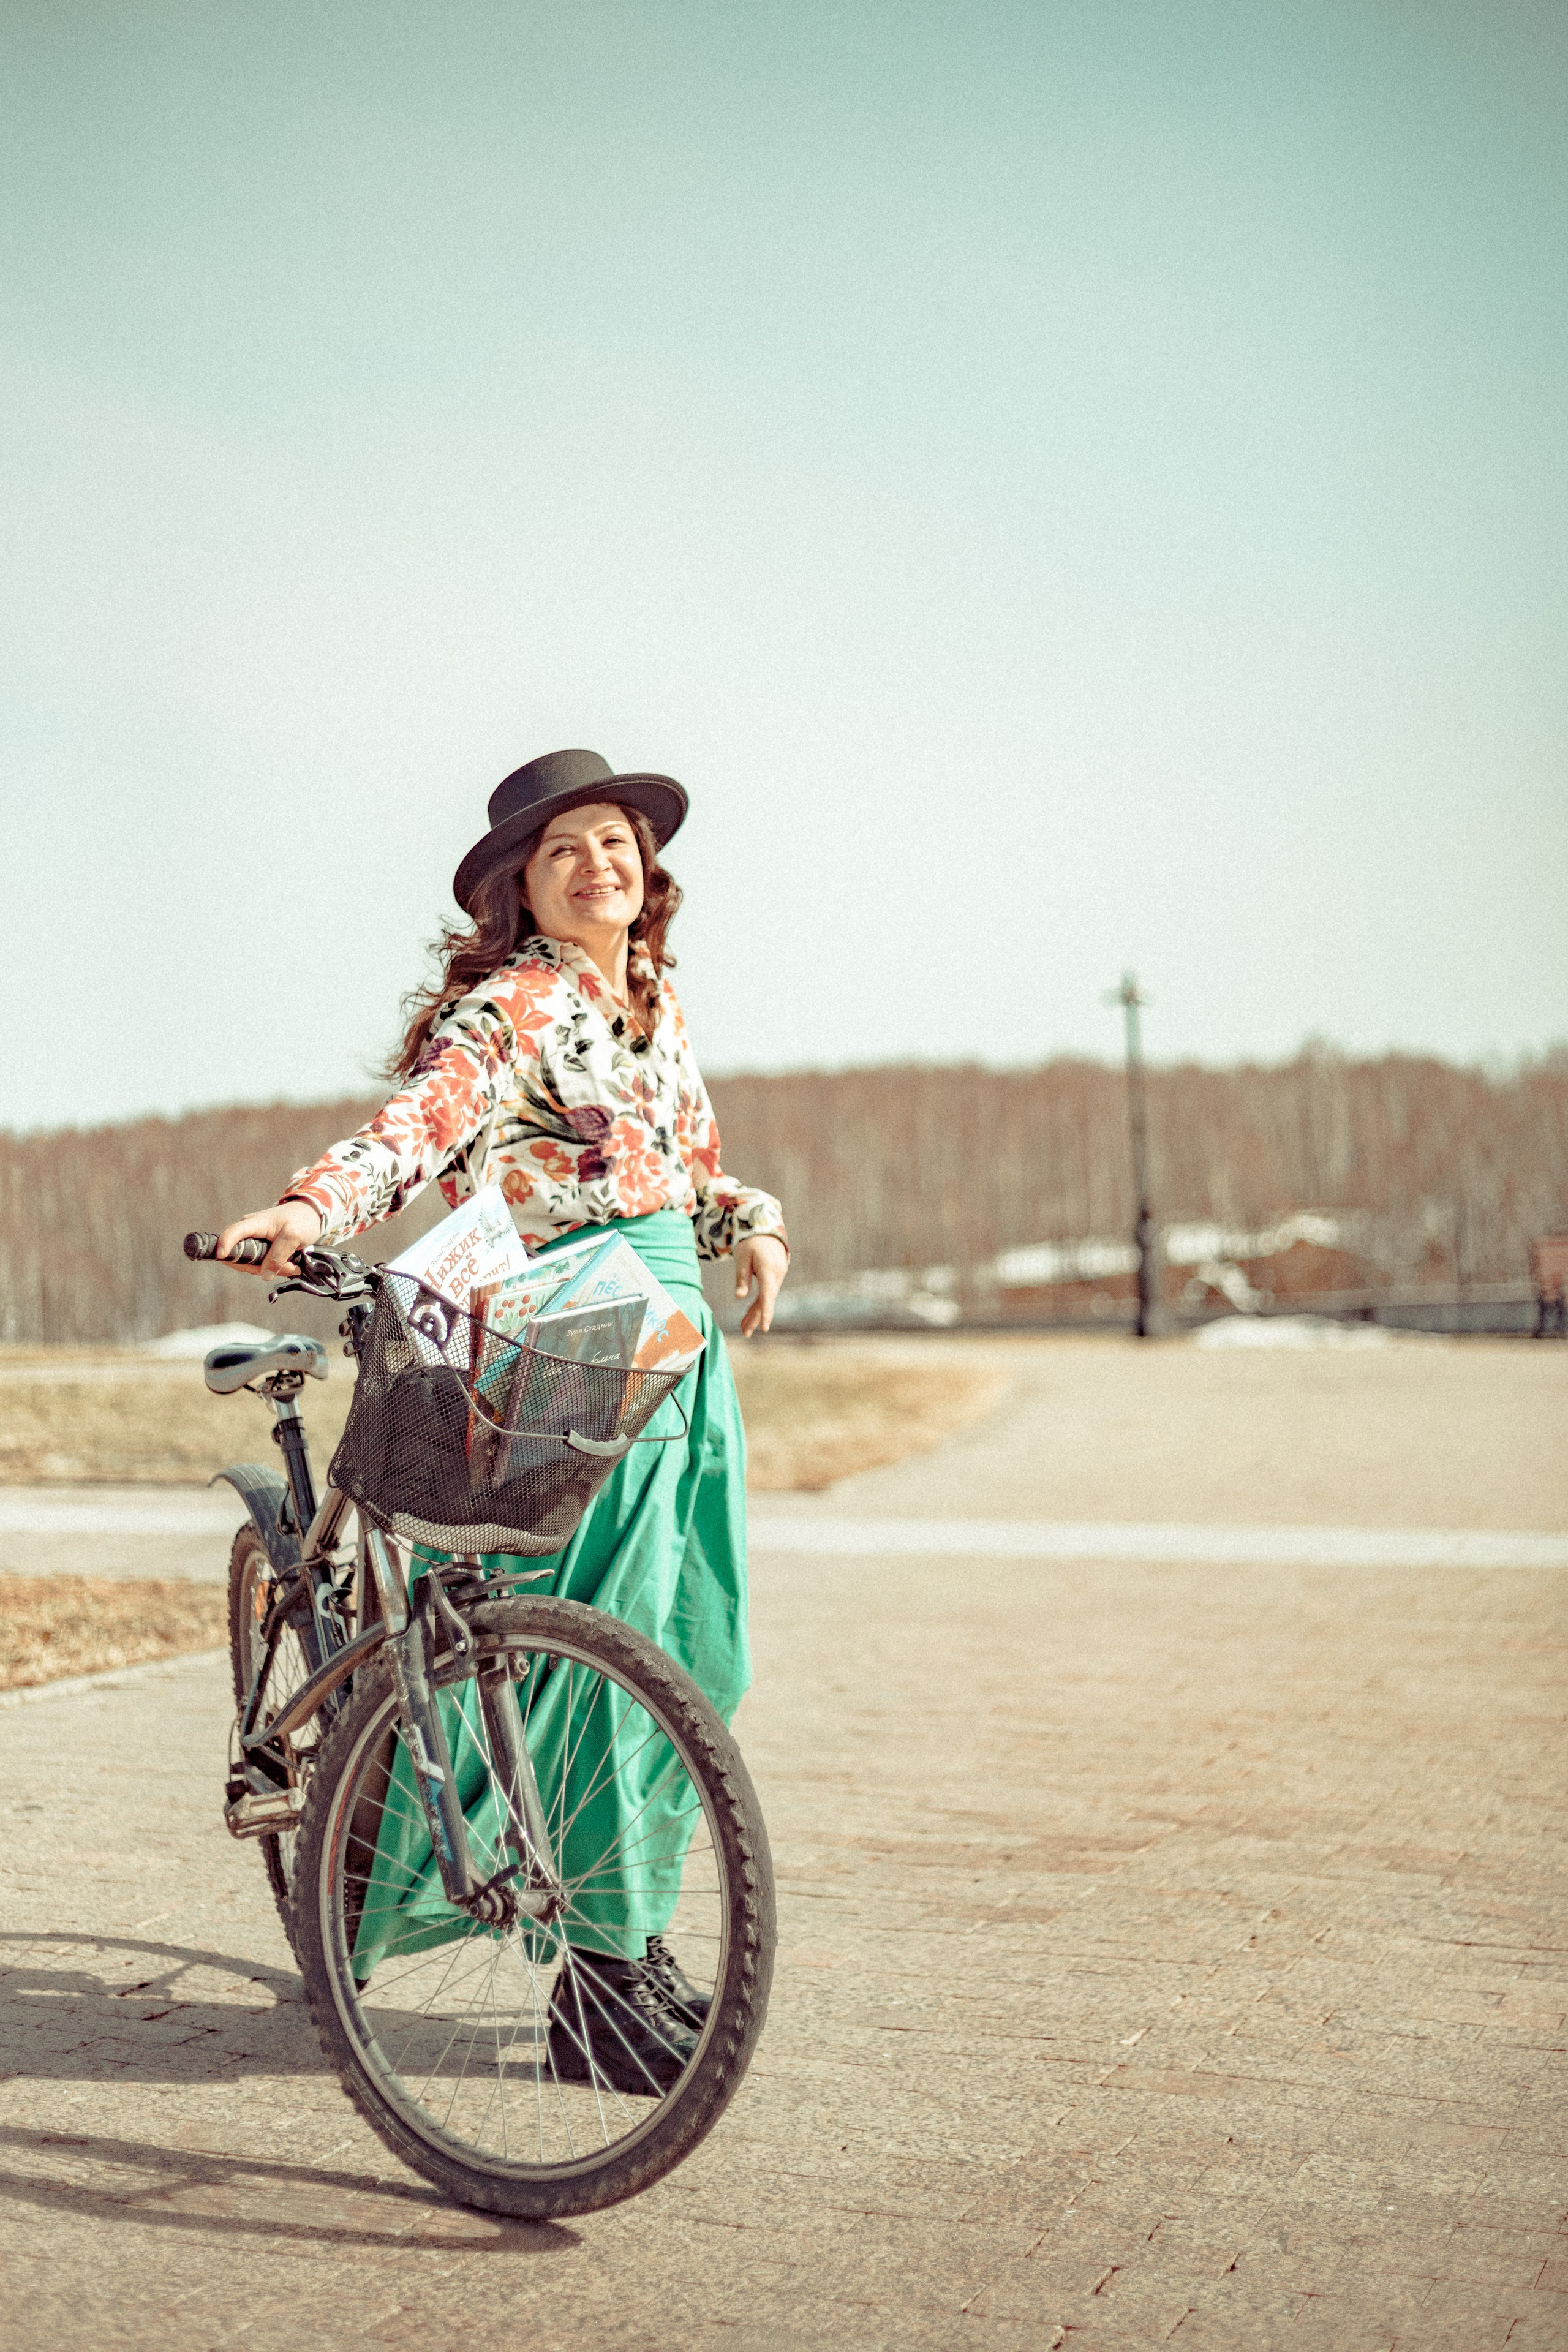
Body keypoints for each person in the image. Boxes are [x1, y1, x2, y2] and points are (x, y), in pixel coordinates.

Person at [217, 746, 788, 2086]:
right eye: (562, 850)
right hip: (579, 1337)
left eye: (615, 840)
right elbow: (416, 1128)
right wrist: (309, 1208)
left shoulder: (654, 1007)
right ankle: (599, 1968)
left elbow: (680, 1175)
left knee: (694, 1651)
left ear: (648, 870)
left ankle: (621, 1931)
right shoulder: (513, 1007)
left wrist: (750, 1222)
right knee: (599, 1649)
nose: (598, 864)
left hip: (680, 1347)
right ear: (520, 891)